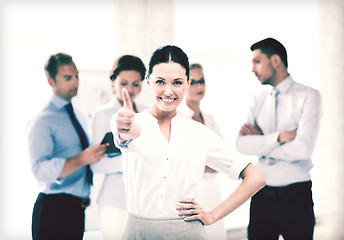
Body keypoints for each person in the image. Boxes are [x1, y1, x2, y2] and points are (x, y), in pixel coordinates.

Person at [112, 45, 266, 239]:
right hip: (137, 233)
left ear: (187, 83)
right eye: (160, 82)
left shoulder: (199, 133)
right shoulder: (130, 122)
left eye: (177, 82)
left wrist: (211, 215)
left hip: (188, 233)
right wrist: (125, 126)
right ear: (148, 81)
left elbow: (255, 178)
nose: (168, 91)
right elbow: (125, 133)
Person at [236, 38, 322, 240]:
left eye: (257, 61)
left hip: (295, 196)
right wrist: (278, 138)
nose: (252, 69)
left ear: (275, 60)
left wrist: (261, 142)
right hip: (261, 194)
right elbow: (241, 144)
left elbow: (303, 149)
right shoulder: (258, 99)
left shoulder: (309, 96)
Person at [26, 53, 107, 240]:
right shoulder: (42, 121)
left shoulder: (79, 115)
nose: (75, 82)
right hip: (53, 210)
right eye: (68, 78)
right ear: (50, 81)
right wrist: (81, 159)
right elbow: (39, 170)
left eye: (77, 76)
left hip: (77, 210)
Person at [90, 55, 147, 239]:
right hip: (114, 201)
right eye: (124, 82)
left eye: (136, 84)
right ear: (113, 82)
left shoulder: (148, 114)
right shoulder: (102, 115)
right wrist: (133, 161)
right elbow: (97, 164)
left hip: (146, 200)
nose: (130, 89)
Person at [178, 63, 226, 240]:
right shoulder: (178, 119)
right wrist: (207, 162)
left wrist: (203, 162)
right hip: (190, 193)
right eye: (193, 82)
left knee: (216, 234)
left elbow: (223, 159)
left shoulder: (211, 120)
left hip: (213, 191)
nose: (199, 86)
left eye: (202, 81)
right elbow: (179, 160)